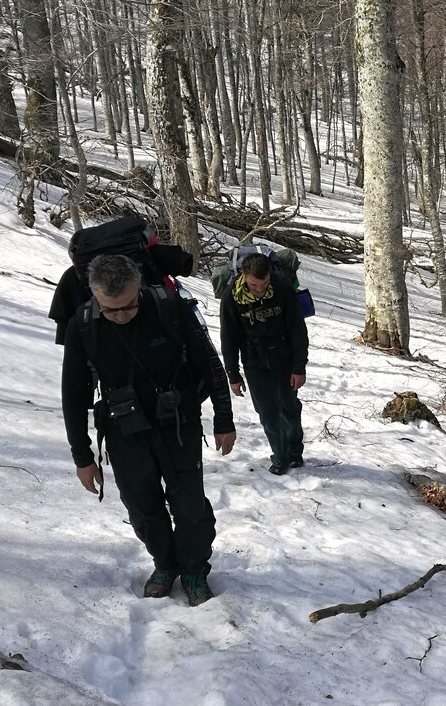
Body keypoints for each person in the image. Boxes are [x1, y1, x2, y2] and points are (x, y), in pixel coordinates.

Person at [61, 253, 236, 606]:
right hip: (124, 430)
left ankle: (193, 570)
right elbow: (73, 394)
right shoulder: (83, 325)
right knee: (142, 509)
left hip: (178, 425)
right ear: (95, 297)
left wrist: (223, 419)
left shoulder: (169, 308)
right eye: (111, 310)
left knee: (189, 506)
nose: (121, 316)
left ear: (138, 288)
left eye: (128, 306)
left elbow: (212, 366)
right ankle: (165, 564)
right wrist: (83, 456)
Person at [220, 251, 308, 475]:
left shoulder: (282, 288)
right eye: (253, 285)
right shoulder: (232, 296)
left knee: (290, 408)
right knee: (268, 413)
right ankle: (280, 456)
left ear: (270, 275)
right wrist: (233, 374)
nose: (259, 289)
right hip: (254, 363)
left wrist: (299, 367)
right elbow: (228, 337)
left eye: (264, 283)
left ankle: (295, 451)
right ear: (244, 276)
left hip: (284, 360)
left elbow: (297, 329)